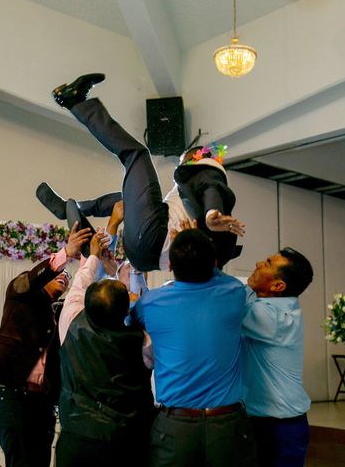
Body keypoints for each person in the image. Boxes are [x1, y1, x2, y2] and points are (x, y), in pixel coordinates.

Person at [42, 73, 245, 272]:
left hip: (155, 238)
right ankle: (74, 208)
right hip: (147, 258)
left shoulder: (207, 168)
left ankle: (76, 101)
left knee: (136, 155)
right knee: (128, 198)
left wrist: (211, 213)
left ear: (195, 159)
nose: (179, 167)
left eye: (183, 161)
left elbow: (212, 188)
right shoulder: (194, 192)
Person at [0, 223, 92, 467]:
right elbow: (31, 280)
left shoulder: (63, 313)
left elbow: (83, 292)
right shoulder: (20, 294)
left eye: (67, 276)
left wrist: (90, 257)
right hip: (11, 394)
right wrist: (66, 252)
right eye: (60, 273)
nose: (65, 277)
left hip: (43, 401)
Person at [131, 228, 252, 467]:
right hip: (227, 427)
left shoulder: (151, 303)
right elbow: (218, 275)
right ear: (215, 263)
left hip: (175, 428)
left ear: (169, 267)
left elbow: (131, 319)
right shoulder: (234, 292)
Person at [56, 232, 155, 467]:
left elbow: (80, 284)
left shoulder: (71, 322)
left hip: (77, 437)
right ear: (125, 311)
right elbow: (149, 311)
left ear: (86, 304)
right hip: (125, 442)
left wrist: (94, 257)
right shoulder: (144, 342)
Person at [241, 247, 314, 467]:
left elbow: (227, 299)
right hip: (264, 422)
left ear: (278, 286)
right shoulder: (268, 304)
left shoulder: (275, 318)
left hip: (280, 429)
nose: (258, 264)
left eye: (268, 264)